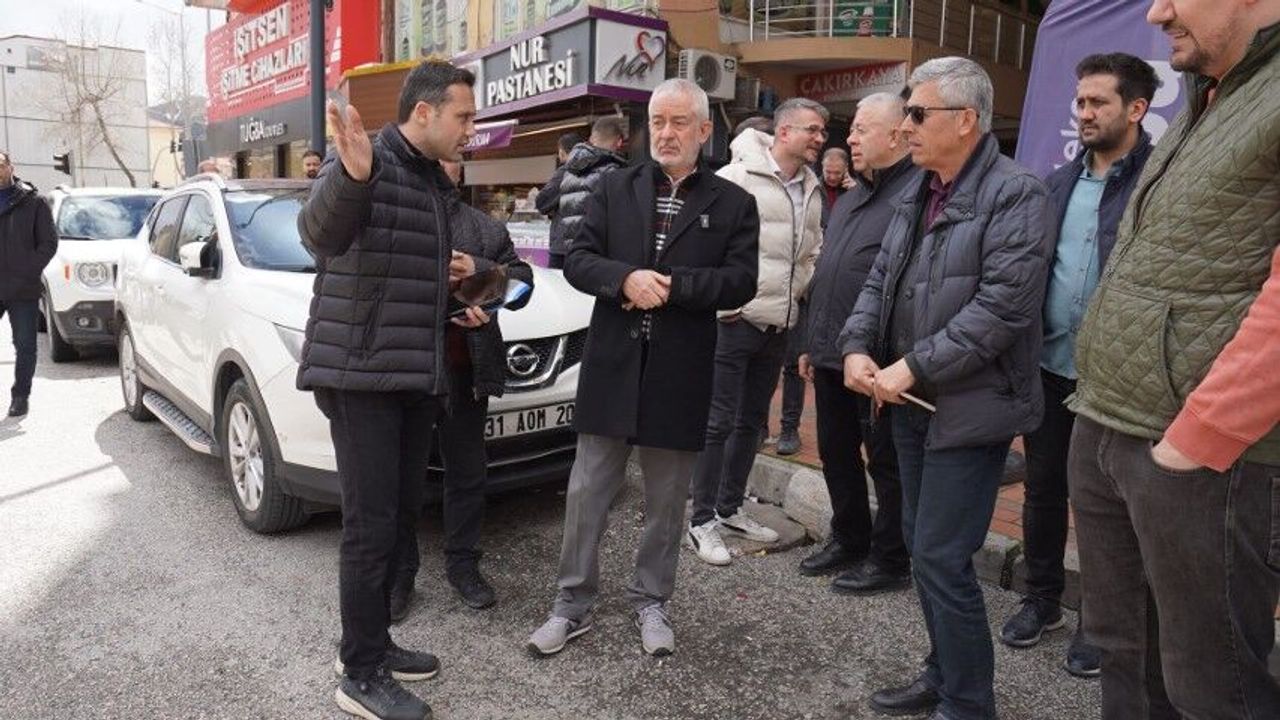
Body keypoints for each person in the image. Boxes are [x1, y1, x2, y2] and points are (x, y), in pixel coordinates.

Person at [1066, 1, 1280, 717]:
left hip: (1195, 453)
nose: (1156, 13)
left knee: (1214, 686)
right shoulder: (1210, 95)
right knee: (1119, 650)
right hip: (1105, 421)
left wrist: (1200, 439)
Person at [840, 57, 1050, 720]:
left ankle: (967, 701)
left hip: (967, 409)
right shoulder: (919, 191)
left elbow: (1002, 309)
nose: (905, 127)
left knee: (940, 557)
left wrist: (915, 366)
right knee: (921, 546)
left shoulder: (1018, 194)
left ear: (966, 121)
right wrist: (854, 347)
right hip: (908, 405)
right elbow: (880, 283)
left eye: (917, 113)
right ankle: (943, 671)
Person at [526, 78, 758, 658]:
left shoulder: (733, 203)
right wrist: (623, 279)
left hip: (679, 374)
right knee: (586, 493)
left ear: (705, 131)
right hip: (613, 365)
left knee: (664, 502)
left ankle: (651, 601)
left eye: (680, 122)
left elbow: (741, 281)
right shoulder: (614, 187)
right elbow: (577, 259)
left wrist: (675, 288)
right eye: (658, 121)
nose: (667, 133)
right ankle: (571, 604)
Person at [297, 60, 488, 720]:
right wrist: (350, 177)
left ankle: (371, 640)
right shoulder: (366, 158)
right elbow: (319, 236)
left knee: (399, 518)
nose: (472, 128)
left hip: (412, 373)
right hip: (361, 375)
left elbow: (406, 271)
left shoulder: (434, 181)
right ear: (426, 113)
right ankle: (361, 673)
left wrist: (465, 290)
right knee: (371, 528)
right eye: (464, 116)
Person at [999, 52, 1157, 681]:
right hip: (1049, 367)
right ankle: (1041, 600)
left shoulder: (1154, 183)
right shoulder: (1057, 183)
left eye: (1099, 103)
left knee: (1111, 509)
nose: (1084, 113)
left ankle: (1103, 622)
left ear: (1137, 109)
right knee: (1042, 493)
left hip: (1116, 380)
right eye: (1081, 102)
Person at [387, 155, 534, 619]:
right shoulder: (394, 217)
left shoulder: (482, 227)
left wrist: (481, 272)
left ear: (459, 169)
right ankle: (400, 573)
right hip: (407, 367)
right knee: (401, 478)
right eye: (434, 155)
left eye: (451, 157)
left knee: (468, 472)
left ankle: (463, 565)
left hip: (467, 368)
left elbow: (524, 286)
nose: (442, 164)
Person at [687, 98, 825, 566]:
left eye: (823, 131)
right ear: (783, 133)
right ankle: (700, 519)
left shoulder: (811, 186)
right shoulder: (734, 178)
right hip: (734, 323)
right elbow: (704, 248)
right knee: (716, 422)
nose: (821, 138)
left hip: (778, 325)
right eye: (812, 129)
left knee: (751, 424)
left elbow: (811, 252)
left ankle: (729, 508)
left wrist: (796, 294)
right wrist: (728, 305)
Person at [797, 93, 920, 593]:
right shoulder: (849, 197)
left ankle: (891, 559)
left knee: (885, 462)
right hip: (830, 351)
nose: (849, 139)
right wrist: (810, 342)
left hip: (878, 359)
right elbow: (828, 272)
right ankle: (849, 538)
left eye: (862, 129)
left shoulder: (916, 196)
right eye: (850, 130)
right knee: (834, 451)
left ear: (896, 135)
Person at [0, 151, 57, 418]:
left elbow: (48, 243)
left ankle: (20, 396)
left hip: (22, 288)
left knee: (25, 345)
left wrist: (27, 271)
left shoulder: (34, 202)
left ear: (11, 167)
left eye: (0, 165)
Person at [554, 116, 629, 251]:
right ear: (619, 142)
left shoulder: (569, 169)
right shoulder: (614, 171)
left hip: (571, 251)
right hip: (598, 252)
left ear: (591, 139)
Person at [535, 132, 582, 270]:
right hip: (588, 245)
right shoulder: (597, 169)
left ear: (562, 152)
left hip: (563, 246)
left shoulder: (566, 172)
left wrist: (552, 209)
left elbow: (542, 202)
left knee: (558, 286)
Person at [819, 146, 853, 227]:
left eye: (837, 173)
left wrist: (856, 192)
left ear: (846, 168)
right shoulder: (812, 187)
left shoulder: (857, 188)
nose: (832, 177)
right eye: (828, 172)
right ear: (822, 166)